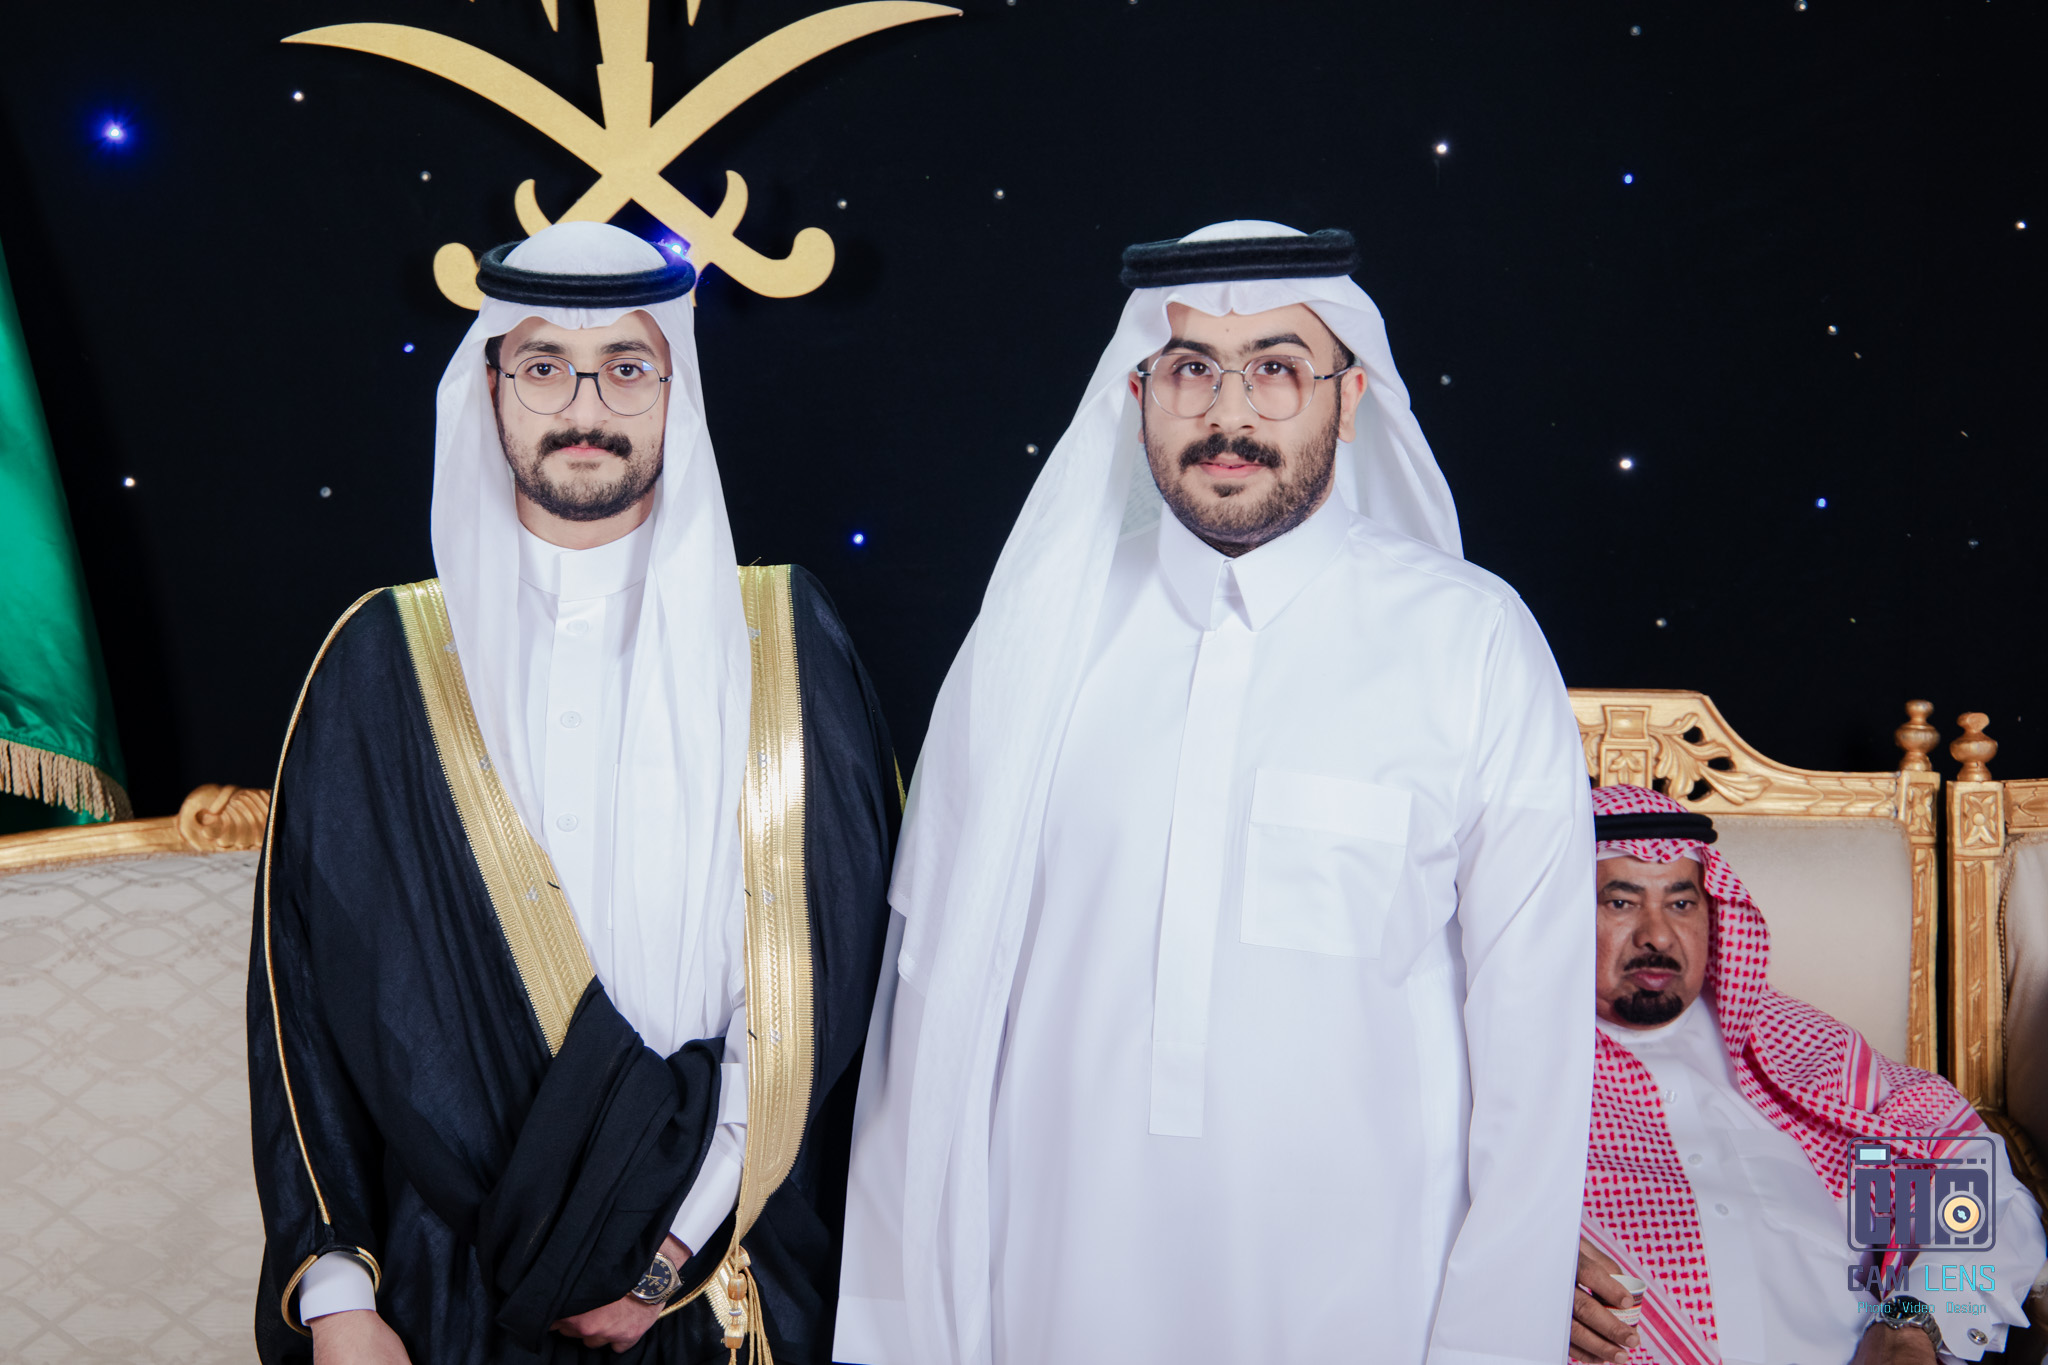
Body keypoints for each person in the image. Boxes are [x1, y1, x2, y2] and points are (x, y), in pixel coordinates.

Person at [834, 221, 1597, 1365]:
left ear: (1349, 399)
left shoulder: (1470, 643)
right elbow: (925, 1011)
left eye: (1276, 368)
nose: (1227, 414)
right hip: (1053, 1290)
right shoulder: (1033, 643)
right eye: (1191, 368)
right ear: (1138, 394)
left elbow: (1534, 1060)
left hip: (1366, 1305)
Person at [247, 221, 899, 1365]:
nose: (584, 406)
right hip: (447, 1291)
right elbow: (299, 1000)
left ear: (674, 393)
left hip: (720, 1283)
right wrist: (337, 1294)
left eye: (626, 368)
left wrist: (669, 1251)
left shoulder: (783, 637)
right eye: (545, 365)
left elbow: (832, 976)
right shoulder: (383, 659)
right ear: (491, 387)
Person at [1571, 783, 2047, 1365]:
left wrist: (1911, 1325)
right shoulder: (1512, 1066)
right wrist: (1524, 1270)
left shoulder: (1801, 1051)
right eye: (1620, 903)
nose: (1658, 935)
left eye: (1681, 903)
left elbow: (1983, 1193)